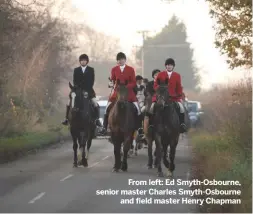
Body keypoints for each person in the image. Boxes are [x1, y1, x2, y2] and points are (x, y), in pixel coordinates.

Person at [101, 52, 142, 134]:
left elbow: (133, 82)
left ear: (125, 60)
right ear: (117, 61)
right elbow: (112, 80)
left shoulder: (131, 69)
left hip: (129, 93)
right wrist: (111, 84)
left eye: (122, 59)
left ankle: (139, 128)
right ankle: (104, 127)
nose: (120, 61)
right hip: (117, 93)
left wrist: (126, 87)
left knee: (138, 109)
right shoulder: (114, 69)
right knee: (107, 108)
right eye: (118, 60)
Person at [62, 54, 102, 127]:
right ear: (80, 61)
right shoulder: (76, 70)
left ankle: (97, 120)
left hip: (89, 90)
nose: (83, 62)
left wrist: (86, 89)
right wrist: (79, 88)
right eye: (82, 60)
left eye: (84, 60)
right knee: (68, 102)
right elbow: (75, 81)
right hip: (78, 90)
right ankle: (67, 119)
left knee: (95, 103)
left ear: (87, 61)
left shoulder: (91, 70)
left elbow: (92, 81)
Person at [148, 58, 187, 133]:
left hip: (173, 98)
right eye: (168, 65)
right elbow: (155, 85)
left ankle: (182, 124)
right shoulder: (160, 74)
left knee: (181, 108)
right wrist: (159, 90)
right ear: (165, 66)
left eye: (171, 65)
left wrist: (178, 94)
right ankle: (151, 125)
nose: (169, 66)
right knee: (152, 107)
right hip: (162, 97)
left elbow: (179, 86)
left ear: (173, 66)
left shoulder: (177, 75)